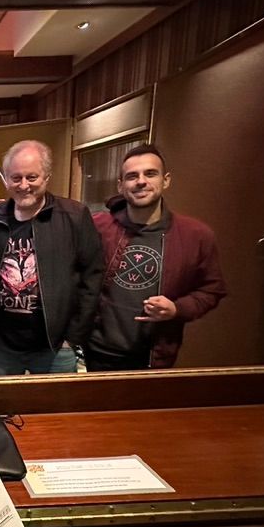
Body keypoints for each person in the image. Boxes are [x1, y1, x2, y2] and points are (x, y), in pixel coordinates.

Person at [87, 144, 227, 370]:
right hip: (98, 352)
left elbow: (212, 289)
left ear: (166, 180)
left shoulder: (196, 235)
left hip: (155, 356)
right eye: (132, 176)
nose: (141, 181)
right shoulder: (98, 227)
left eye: (150, 173)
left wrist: (177, 309)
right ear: (121, 185)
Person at [0, 140, 103, 375]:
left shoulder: (74, 216)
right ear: (7, 180)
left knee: (54, 401)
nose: (24, 185)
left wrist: (73, 336)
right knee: (1, 400)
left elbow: (93, 277)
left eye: (32, 177)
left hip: (55, 347)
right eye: (16, 178)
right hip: (2, 346)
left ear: (46, 177)